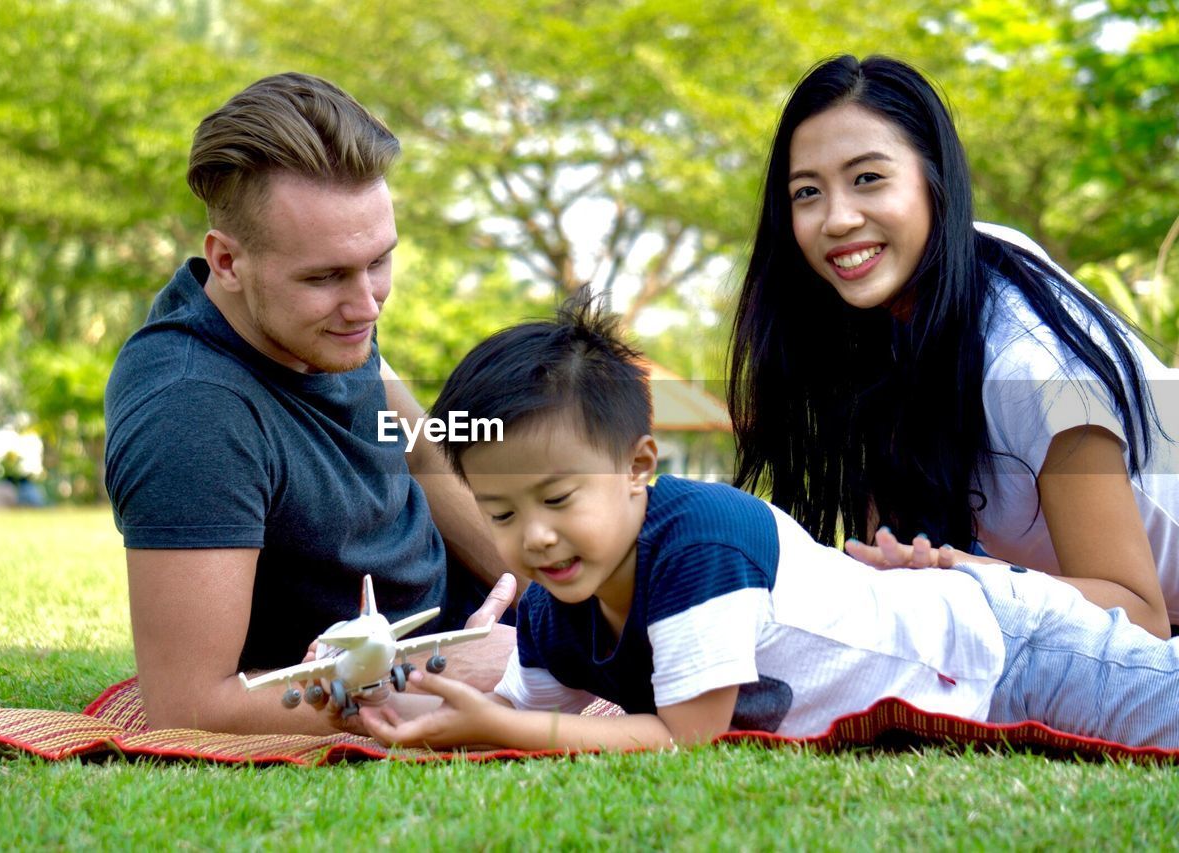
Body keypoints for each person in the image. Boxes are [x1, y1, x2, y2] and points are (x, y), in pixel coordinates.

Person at [357, 296, 1179, 752]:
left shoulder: (700, 545)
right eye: (500, 513)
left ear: (640, 467)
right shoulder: (552, 609)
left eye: (559, 498)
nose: (534, 536)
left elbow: (685, 733)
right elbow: (518, 699)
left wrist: (503, 725)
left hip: (1005, 649)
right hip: (968, 689)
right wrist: (408, 701)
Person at [103, 72, 515, 735]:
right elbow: (189, 709)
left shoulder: (326, 316)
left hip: (488, 624)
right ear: (228, 262)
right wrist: (471, 680)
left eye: (380, 261)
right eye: (325, 277)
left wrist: (543, 588)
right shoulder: (191, 412)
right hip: (407, 671)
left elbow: (420, 450)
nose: (368, 304)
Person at [726, 54, 1179, 639]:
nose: (836, 219)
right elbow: (893, 560)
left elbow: (1139, 616)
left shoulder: (1030, 363)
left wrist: (965, 574)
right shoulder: (891, 324)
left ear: (936, 180)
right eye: (807, 192)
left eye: (868, 178)